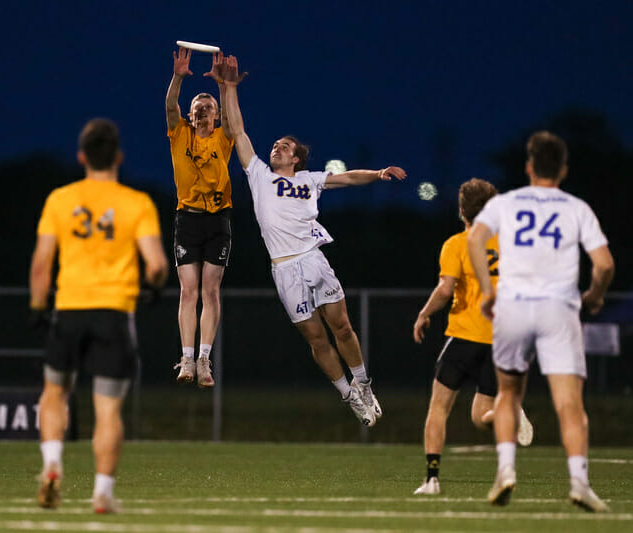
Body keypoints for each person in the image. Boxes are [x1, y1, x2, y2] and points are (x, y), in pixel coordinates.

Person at [218, 54, 406, 426]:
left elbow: (349, 178)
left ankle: (363, 382)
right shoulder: (258, 174)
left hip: (312, 258)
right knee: (316, 339)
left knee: (343, 327)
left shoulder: (309, 180)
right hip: (284, 269)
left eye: (285, 146)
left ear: (297, 159)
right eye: (275, 144)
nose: (277, 148)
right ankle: (349, 395)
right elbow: (237, 132)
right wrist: (228, 88)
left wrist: (379, 172)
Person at [467, 131, 614, 512]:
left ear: (529, 166)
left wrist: (487, 290)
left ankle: (505, 471)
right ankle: (579, 482)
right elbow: (605, 265)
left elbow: (474, 240)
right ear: (563, 169)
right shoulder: (576, 207)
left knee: (507, 395)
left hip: (513, 307)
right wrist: (595, 296)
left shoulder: (507, 203)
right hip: (558, 309)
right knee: (569, 404)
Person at [29, 118, 169, 513]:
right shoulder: (136, 203)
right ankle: (102, 493)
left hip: (69, 310)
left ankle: (52, 465)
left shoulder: (60, 199)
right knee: (107, 409)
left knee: (55, 392)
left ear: (81, 157)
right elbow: (157, 264)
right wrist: (154, 285)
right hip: (113, 313)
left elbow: (42, 264)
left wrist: (38, 307)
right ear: (119, 158)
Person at [412, 178, 533, 496]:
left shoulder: (458, 244)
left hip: (465, 336)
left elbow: (445, 288)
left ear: (462, 210)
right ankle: (509, 413)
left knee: (438, 408)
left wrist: (425, 313)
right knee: (482, 417)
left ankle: (432, 479)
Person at [165, 47, 234, 388]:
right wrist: (178, 76)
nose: (202, 111)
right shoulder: (181, 135)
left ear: (216, 115)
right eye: (197, 108)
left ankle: (205, 358)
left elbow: (234, 120)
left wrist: (223, 85)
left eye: (209, 108)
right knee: (187, 292)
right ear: (190, 116)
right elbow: (169, 107)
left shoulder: (224, 137)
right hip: (187, 220)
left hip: (217, 221)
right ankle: (187, 358)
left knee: (211, 291)